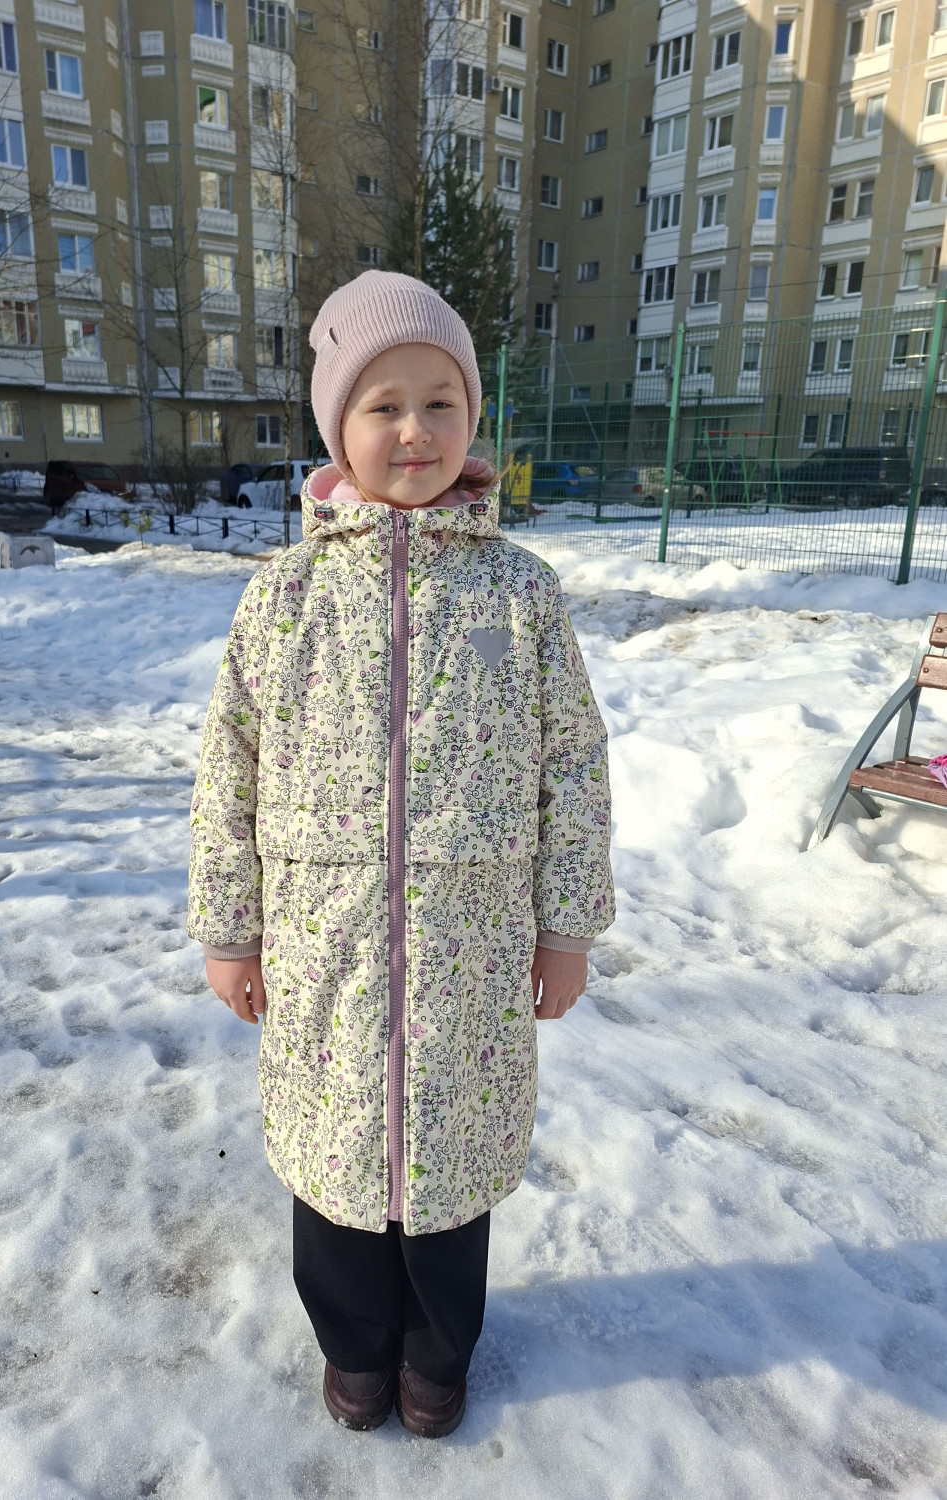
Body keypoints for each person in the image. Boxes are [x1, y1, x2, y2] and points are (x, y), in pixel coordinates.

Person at [189, 271, 614, 1438]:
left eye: (442, 403)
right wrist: (231, 930)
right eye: (385, 406)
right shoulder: (283, 600)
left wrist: (566, 929)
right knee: (335, 1174)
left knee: (450, 1178)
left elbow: (574, 767)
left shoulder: (521, 595)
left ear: (473, 418)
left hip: (467, 964)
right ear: (340, 427)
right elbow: (229, 773)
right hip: (325, 957)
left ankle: (435, 1356)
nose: (416, 430)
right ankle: (354, 1349)